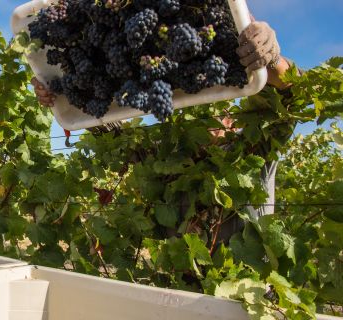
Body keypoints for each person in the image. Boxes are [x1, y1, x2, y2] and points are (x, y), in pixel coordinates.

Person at [31, 20, 297, 240]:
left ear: (234, 124)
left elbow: (291, 97)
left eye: (224, 117)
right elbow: (110, 131)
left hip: (248, 299)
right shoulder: (168, 163)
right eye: (199, 117)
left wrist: (273, 62)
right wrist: (62, 93)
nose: (214, 122)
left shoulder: (253, 153)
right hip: (178, 296)